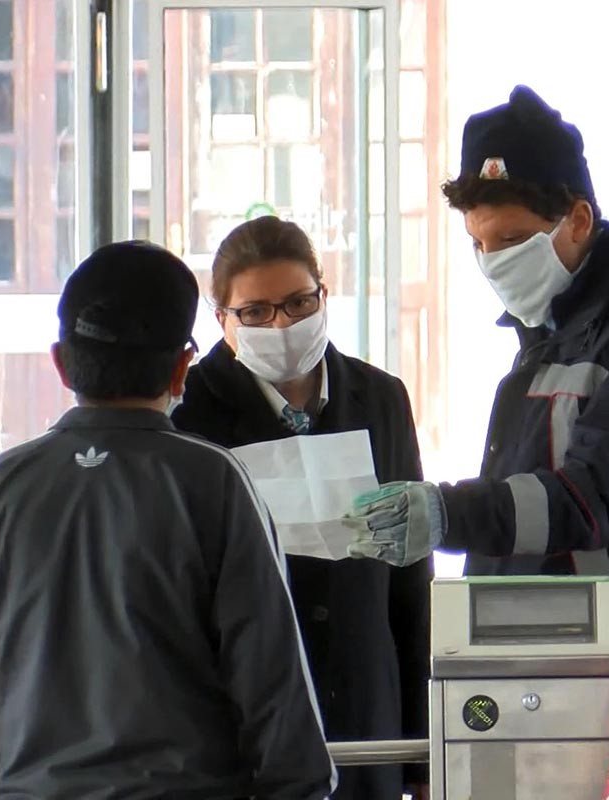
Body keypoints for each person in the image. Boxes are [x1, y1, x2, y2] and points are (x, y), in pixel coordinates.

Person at [0, 241, 334, 799]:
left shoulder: (2, 488)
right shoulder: (213, 481)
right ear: (182, 368)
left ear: (61, 364)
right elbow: (274, 688)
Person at [345, 85, 609, 647]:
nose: (493, 264)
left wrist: (447, 514)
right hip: (546, 640)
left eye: (512, 239)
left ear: (577, 220)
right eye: (478, 243)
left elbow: (598, 496)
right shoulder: (552, 328)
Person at [171, 217, 430, 800]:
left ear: (323, 294)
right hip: (245, 720)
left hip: (369, 715)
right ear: (222, 321)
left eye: (297, 302)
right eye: (256, 312)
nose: (282, 323)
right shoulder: (189, 416)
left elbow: (411, 579)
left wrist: (421, 744)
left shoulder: (380, 396)